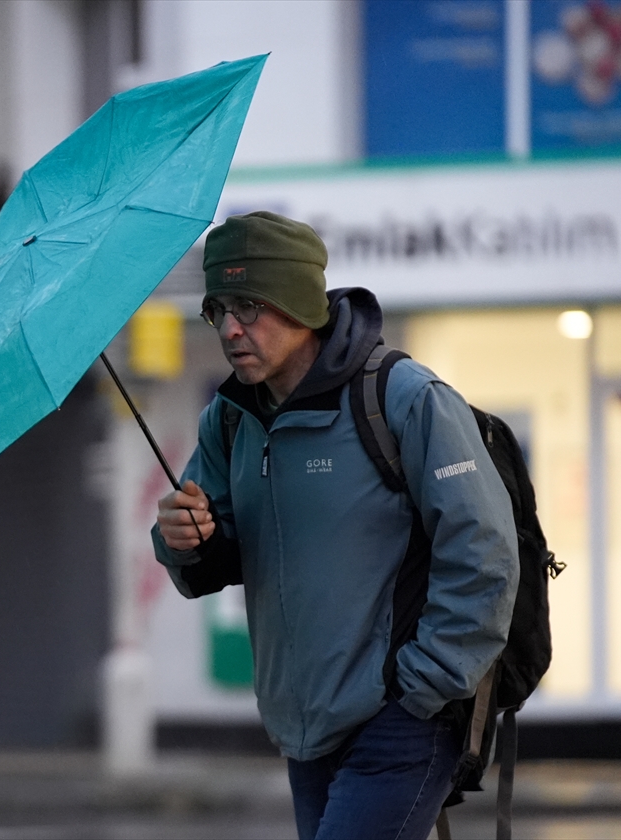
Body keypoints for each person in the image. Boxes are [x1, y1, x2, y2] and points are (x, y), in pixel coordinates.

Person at [152, 211, 519, 840]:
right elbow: (211, 554)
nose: (231, 329)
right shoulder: (229, 420)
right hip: (305, 731)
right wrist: (180, 539)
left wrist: (422, 687)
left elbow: (484, 553)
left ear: (298, 302)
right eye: (218, 310)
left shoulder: (404, 398)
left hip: (401, 720)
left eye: (249, 306)